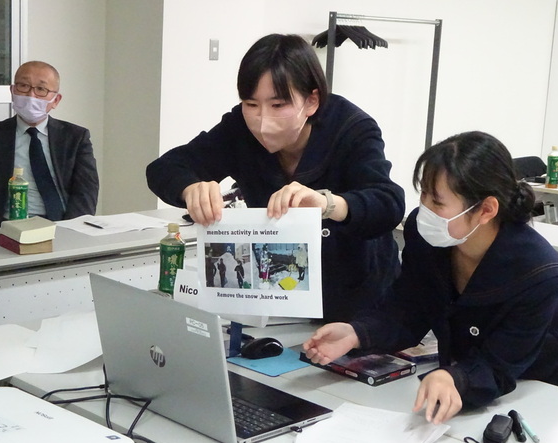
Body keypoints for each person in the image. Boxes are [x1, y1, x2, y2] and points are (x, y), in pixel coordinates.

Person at [304, 131, 558, 424]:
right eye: (423, 194)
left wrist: (456, 378)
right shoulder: (428, 237)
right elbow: (408, 306)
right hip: (481, 382)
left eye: (437, 202)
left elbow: (500, 364)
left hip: (547, 386)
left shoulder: (540, 277)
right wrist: (357, 333)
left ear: (486, 210)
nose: (425, 211)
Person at [146, 34, 405, 322]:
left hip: (358, 303)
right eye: (251, 104)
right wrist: (190, 188)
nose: (262, 121)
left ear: (311, 101)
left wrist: (328, 204)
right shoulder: (239, 129)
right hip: (277, 298)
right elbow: (165, 167)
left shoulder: (352, 128)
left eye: (278, 105)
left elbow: (388, 203)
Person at [0, 61, 99, 228]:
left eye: (41, 89)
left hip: (58, 225)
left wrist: (70, 230)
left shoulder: (75, 137)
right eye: (23, 86)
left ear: (55, 100)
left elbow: (86, 191)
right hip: (3, 227)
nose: (31, 95)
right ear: (12, 91)